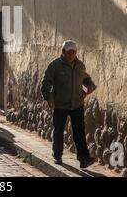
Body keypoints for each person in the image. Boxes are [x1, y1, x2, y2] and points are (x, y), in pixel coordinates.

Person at [41, 40, 97, 169]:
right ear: (63, 52)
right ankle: (57, 155)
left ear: (76, 53)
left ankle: (84, 159)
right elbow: (46, 82)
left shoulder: (80, 65)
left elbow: (85, 77)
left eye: (74, 52)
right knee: (58, 130)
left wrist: (90, 85)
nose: (71, 55)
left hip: (77, 103)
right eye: (68, 52)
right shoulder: (55, 65)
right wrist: (48, 98)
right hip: (60, 104)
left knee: (79, 131)